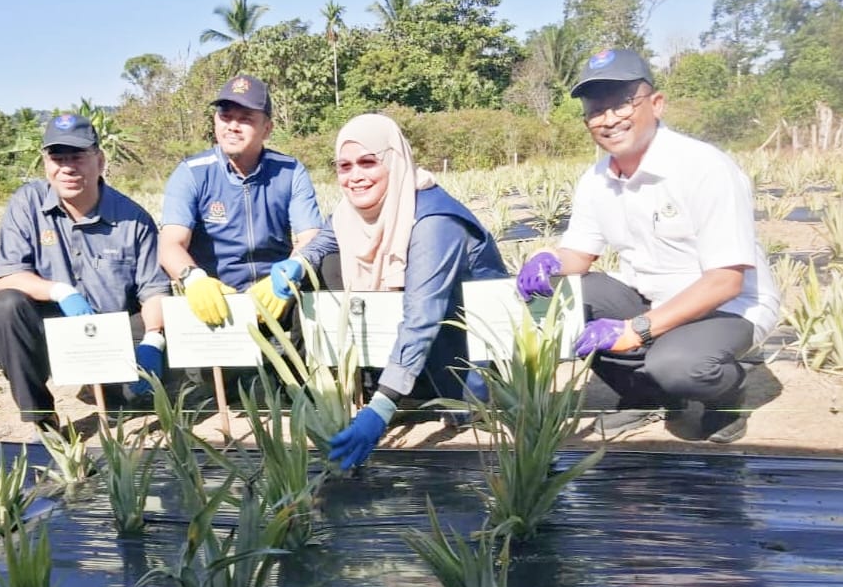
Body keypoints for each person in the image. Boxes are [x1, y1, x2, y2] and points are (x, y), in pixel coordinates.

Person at [516, 49, 780, 444]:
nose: (608, 119)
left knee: (677, 364)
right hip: (651, 300)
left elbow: (725, 281)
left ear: (655, 104)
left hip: (727, 308)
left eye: (622, 103)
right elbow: (580, 256)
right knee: (565, 293)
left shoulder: (703, 168)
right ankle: (647, 395)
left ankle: (726, 395)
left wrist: (635, 330)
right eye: (595, 110)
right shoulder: (596, 180)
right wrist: (549, 260)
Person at [270, 113, 508, 469]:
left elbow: (422, 318)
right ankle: (391, 387)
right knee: (328, 263)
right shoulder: (353, 211)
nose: (355, 177)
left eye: (368, 162)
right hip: (417, 354)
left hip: (467, 364)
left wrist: (380, 409)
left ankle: (406, 395)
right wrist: (300, 260)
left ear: (395, 161)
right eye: (344, 166)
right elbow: (326, 238)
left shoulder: (433, 221)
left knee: (464, 440)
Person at [0, 114, 171, 433]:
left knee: (131, 397)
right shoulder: (26, 204)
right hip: (53, 330)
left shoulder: (134, 218)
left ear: (99, 160)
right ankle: (41, 417)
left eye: (77, 156)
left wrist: (154, 339)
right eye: (57, 158)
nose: (67, 167)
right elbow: (7, 276)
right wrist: (62, 292)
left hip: (114, 332)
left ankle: (108, 390)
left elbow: (154, 290)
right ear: (46, 164)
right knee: (7, 307)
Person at [158, 74, 323, 393]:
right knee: (219, 394)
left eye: (245, 119)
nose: (232, 126)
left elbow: (311, 236)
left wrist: (288, 278)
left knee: (292, 390)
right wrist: (194, 279)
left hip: (276, 297)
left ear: (267, 128)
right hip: (219, 299)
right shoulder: (192, 172)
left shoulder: (290, 171)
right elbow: (170, 244)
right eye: (225, 116)